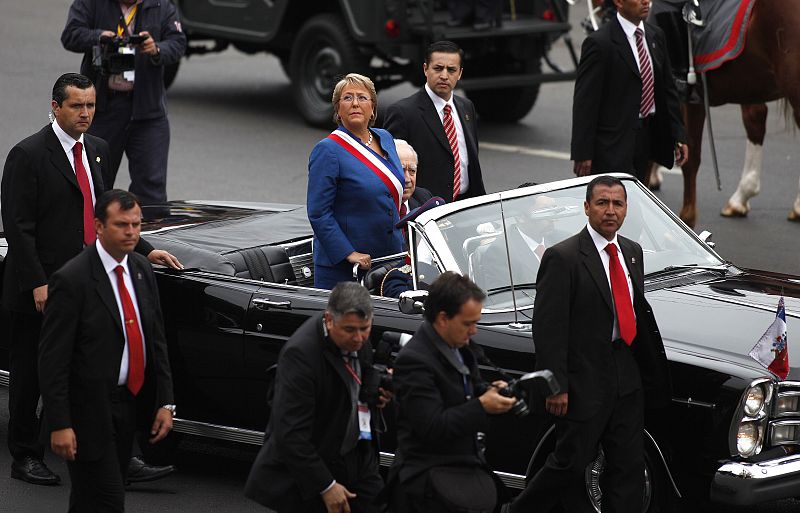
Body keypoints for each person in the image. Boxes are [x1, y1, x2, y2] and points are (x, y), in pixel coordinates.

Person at [0, 73, 180, 486]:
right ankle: (25, 454)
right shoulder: (27, 154)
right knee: (32, 371)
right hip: (42, 286)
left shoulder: (96, 150)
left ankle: (116, 452)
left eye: (91, 106)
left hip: (88, 284)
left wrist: (144, 247)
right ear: (55, 106)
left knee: (99, 369)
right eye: (77, 106)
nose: (86, 113)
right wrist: (37, 283)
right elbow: (18, 226)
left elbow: (106, 209)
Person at [509, 176, 671, 513]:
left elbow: (633, 313)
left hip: (626, 377)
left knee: (626, 467)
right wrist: (556, 385)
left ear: (626, 210)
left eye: (618, 204)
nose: (610, 211)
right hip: (583, 380)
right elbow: (549, 327)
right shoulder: (563, 257)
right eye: (602, 203)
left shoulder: (632, 252)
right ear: (586, 208)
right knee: (570, 462)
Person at [38, 189, 175, 512]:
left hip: (128, 404)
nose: (131, 233)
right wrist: (60, 423)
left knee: (88, 500)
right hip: (87, 411)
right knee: (109, 499)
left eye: (136, 225)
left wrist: (165, 401)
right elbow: (52, 358)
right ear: (98, 226)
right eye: (121, 225)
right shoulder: (72, 280)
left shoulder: (141, 270)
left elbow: (155, 340)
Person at [245, 282, 389, 513]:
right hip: (314, 466)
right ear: (329, 320)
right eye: (351, 330)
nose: (359, 339)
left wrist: (376, 394)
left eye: (366, 328)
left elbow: (352, 382)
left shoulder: (357, 336)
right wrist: (326, 485)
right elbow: (290, 434)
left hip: (356, 458)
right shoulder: (301, 356)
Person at [386, 272, 516, 513]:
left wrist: (491, 393)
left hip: (460, 475)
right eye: (468, 323)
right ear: (443, 318)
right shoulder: (414, 361)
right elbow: (432, 427)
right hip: (426, 488)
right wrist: (482, 406)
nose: (474, 331)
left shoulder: (461, 348)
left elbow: (470, 390)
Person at [61, 0, 187, 205]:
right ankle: (89, 235)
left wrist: (156, 49)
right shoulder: (91, 4)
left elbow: (178, 42)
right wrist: (99, 37)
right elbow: (70, 35)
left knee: (152, 189)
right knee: (93, 183)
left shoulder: (161, 6)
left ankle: (142, 234)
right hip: (104, 109)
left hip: (148, 111)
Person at [570, 0, 688, 182]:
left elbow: (667, 90)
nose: (646, 2)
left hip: (646, 139)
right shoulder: (600, 43)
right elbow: (585, 102)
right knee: (614, 203)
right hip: (612, 145)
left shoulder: (655, 35)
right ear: (619, 2)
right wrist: (582, 152)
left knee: (638, 198)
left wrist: (678, 135)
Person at [307, 73, 405, 289]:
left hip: (389, 259)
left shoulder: (385, 138)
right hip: (346, 269)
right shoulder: (327, 150)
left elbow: (391, 190)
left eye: (362, 98)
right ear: (337, 109)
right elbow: (319, 212)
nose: (355, 104)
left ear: (373, 108)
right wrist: (348, 253)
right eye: (347, 98)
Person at [384, 41, 486, 203]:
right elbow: (392, 169)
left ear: (459, 73)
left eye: (451, 70)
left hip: (467, 205)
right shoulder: (403, 112)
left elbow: (471, 163)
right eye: (438, 68)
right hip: (427, 210)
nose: (444, 76)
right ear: (425, 69)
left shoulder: (466, 107)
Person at [476, 195, 572, 290]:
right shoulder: (500, 252)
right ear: (520, 217)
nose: (553, 218)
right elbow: (505, 299)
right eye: (545, 211)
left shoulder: (565, 239)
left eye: (554, 210)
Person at [394, 139, 433, 215]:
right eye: (401, 171)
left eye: (412, 171)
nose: (407, 179)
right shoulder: (375, 204)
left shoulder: (425, 198)